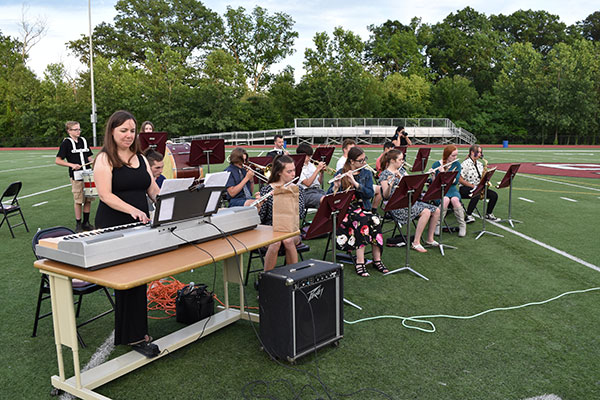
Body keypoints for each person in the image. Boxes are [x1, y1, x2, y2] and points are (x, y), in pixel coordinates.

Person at [94, 110, 161, 358]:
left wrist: (170, 201)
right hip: (114, 225)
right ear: (112, 131)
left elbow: (152, 189)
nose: (129, 135)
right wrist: (134, 210)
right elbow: (105, 195)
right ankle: (135, 336)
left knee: (139, 278)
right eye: (123, 130)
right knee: (128, 281)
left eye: (132, 131)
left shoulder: (141, 158)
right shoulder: (104, 159)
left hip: (139, 225)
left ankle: (134, 332)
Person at [327, 147, 386, 277]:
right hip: (346, 210)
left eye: (365, 159)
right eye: (360, 160)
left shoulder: (366, 174)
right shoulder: (341, 172)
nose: (364, 163)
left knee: (375, 219)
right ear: (352, 161)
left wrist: (356, 184)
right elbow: (330, 198)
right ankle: (360, 261)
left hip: (362, 206)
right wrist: (336, 187)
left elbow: (370, 193)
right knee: (362, 220)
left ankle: (377, 259)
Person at [379, 150, 440, 252]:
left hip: (409, 202)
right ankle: (416, 242)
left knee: (436, 210)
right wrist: (390, 184)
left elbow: (412, 184)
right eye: (400, 159)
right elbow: (386, 195)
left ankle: (430, 239)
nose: (402, 161)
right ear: (393, 161)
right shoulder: (384, 174)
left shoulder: (402, 171)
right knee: (426, 212)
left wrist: (428, 175)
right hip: (397, 205)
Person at [258, 155, 306, 271]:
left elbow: (300, 214)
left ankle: (292, 275)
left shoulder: (297, 189)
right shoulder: (267, 190)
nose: (293, 174)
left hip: (291, 229)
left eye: (294, 170)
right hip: (270, 229)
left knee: (287, 240)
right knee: (275, 242)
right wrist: (259, 206)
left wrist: (288, 197)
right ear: (279, 172)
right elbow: (261, 219)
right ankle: (267, 277)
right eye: (289, 171)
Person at [55, 121, 95, 232]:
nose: (78, 131)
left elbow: (88, 157)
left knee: (88, 199)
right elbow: (58, 160)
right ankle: (78, 224)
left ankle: (86, 223)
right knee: (78, 200)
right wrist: (71, 165)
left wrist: (93, 161)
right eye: (75, 129)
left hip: (88, 173)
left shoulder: (83, 141)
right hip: (76, 175)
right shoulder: (66, 143)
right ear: (69, 131)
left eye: (79, 129)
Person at [431, 145, 466, 237]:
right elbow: (435, 183)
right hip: (440, 190)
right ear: (447, 155)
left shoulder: (457, 164)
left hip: (452, 189)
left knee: (455, 200)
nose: (455, 157)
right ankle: (437, 225)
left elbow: (455, 180)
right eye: (453, 155)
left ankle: (462, 225)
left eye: (456, 155)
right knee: (445, 200)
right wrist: (433, 175)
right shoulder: (436, 164)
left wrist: (443, 173)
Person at [459, 145, 500, 222]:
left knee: (494, 195)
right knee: (477, 194)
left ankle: (489, 214)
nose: (480, 154)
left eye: (481, 152)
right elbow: (460, 179)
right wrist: (473, 186)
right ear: (472, 152)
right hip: (465, 188)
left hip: (478, 187)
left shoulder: (479, 164)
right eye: (478, 152)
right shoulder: (465, 164)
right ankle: (468, 215)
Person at [296, 143, 326, 208]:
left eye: (310, 156)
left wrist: (321, 172)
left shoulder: (311, 165)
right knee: (324, 199)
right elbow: (307, 183)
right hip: (305, 193)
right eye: (308, 156)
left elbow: (319, 182)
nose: (310, 158)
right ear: (301, 155)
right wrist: (317, 169)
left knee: (332, 198)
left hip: (317, 190)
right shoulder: (297, 167)